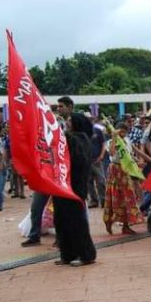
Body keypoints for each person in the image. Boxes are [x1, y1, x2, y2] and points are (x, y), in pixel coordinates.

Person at [53, 113, 97, 266]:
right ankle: (68, 254)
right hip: (62, 185)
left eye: (70, 120)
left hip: (75, 187)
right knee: (61, 220)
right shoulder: (69, 138)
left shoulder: (79, 139)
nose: (67, 122)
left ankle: (86, 255)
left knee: (76, 222)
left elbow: (79, 162)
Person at [103, 123, 143, 235]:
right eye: (120, 131)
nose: (122, 134)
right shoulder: (111, 142)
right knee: (113, 197)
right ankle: (109, 221)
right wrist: (114, 138)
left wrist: (139, 161)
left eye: (124, 132)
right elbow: (111, 153)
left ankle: (126, 225)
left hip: (125, 171)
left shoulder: (127, 141)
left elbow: (130, 155)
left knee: (128, 197)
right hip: (115, 172)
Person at [88, 118, 107, 208]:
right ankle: (94, 200)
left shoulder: (98, 131)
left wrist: (102, 155)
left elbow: (103, 143)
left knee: (101, 181)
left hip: (97, 160)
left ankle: (103, 199)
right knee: (89, 182)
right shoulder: (83, 131)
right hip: (87, 161)